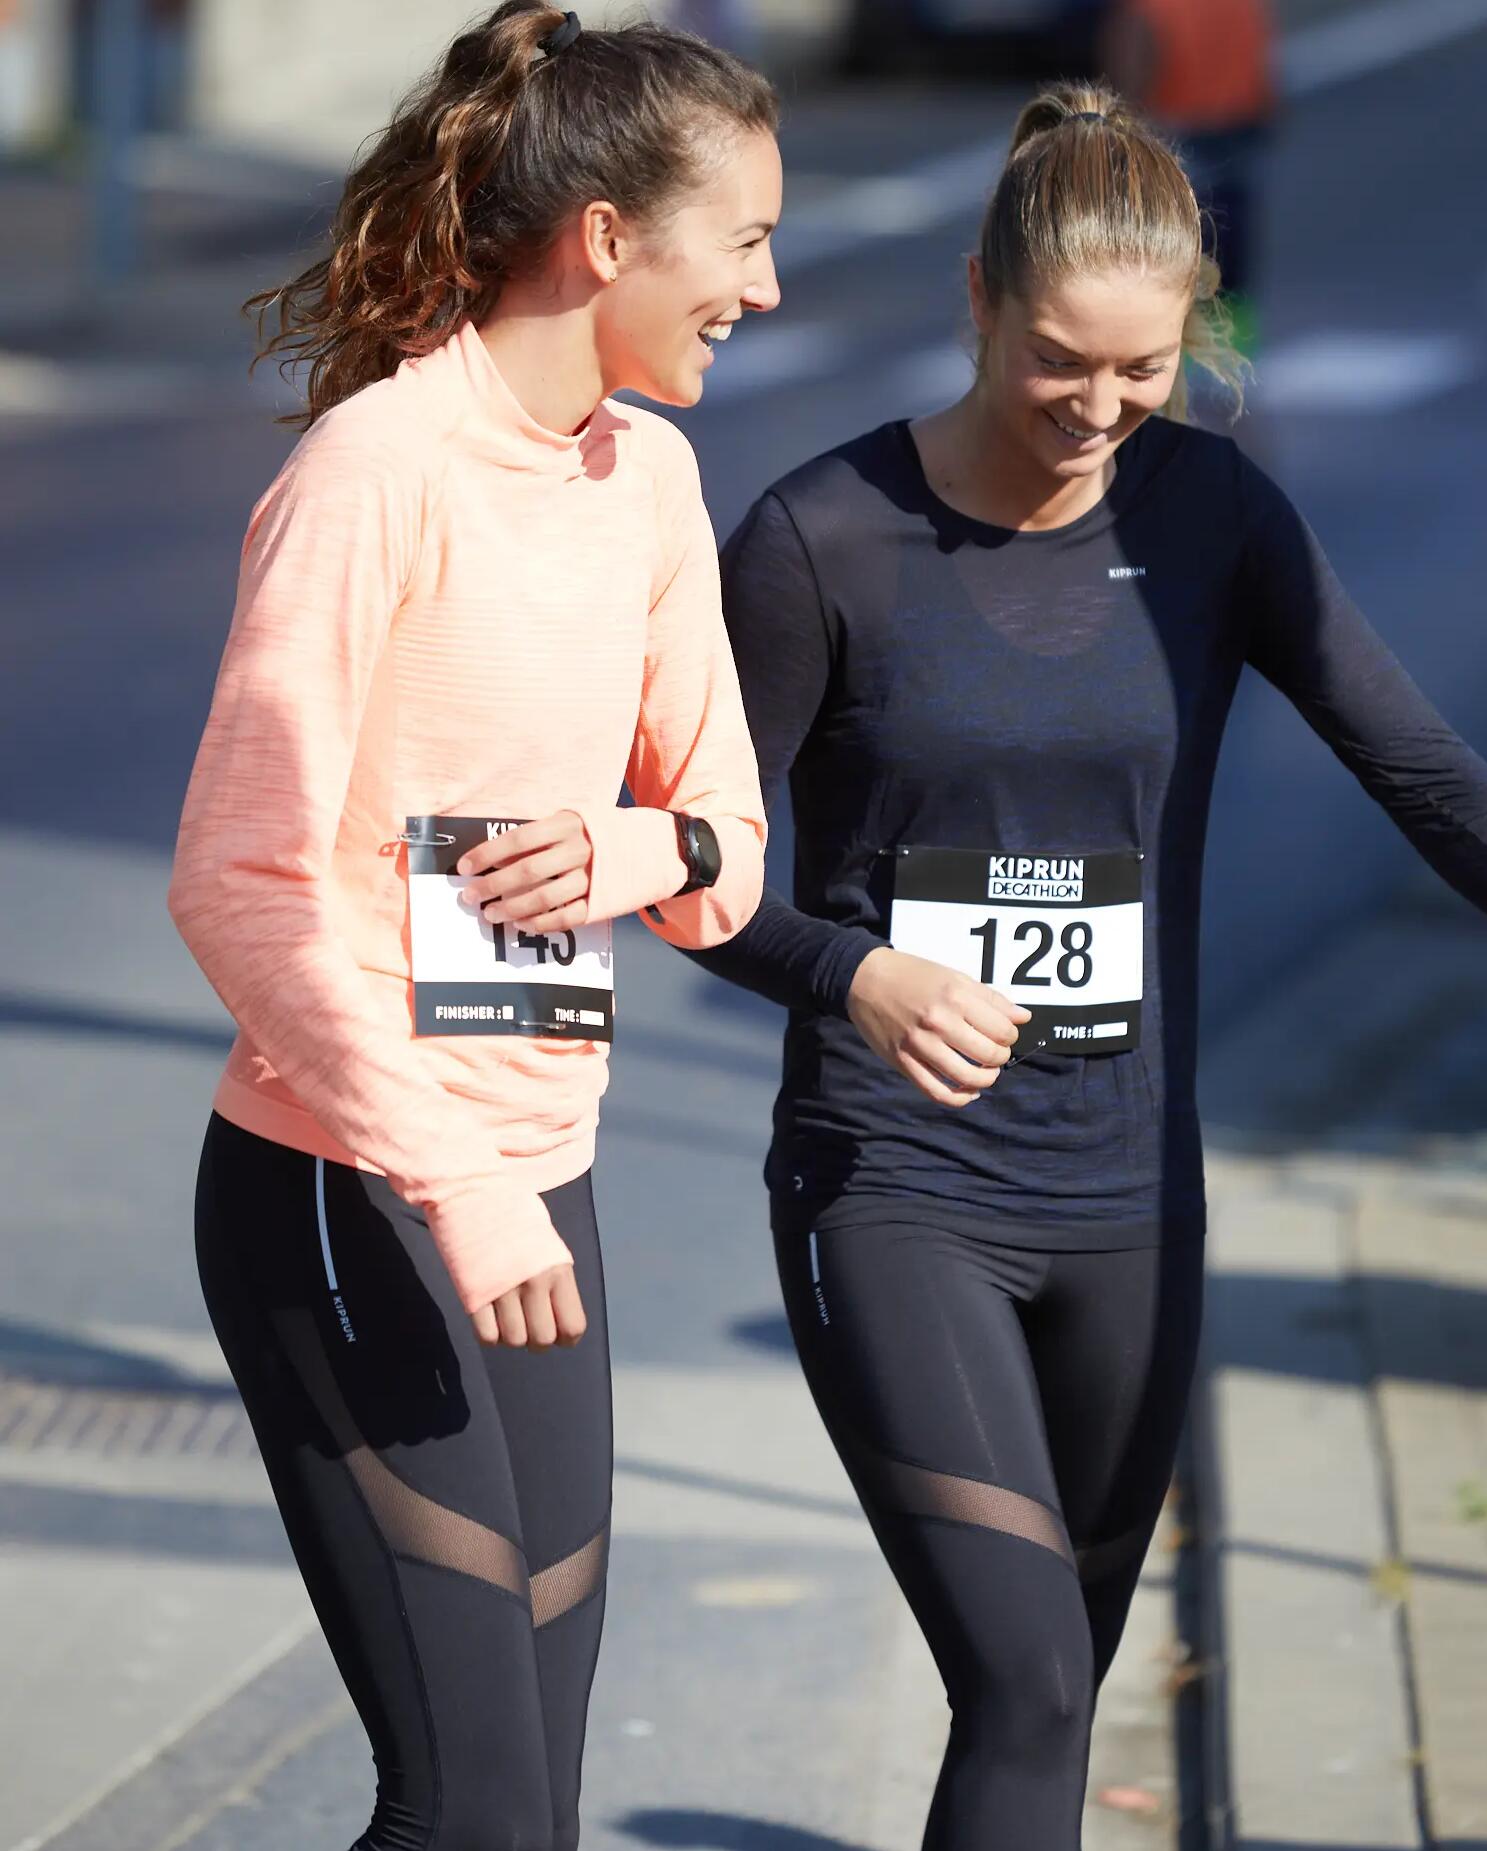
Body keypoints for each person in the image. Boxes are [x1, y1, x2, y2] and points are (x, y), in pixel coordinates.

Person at [688, 82, 1487, 1851]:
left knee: (1061, 1672)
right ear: (979, 297)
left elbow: (1418, 762)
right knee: (1029, 1679)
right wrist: (856, 978)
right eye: (1062, 360)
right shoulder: (816, 539)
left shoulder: (1212, 516)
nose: (1099, 410)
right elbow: (687, 876)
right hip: (892, 1177)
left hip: (1127, 1193)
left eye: (1143, 371)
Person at [168, 8, 778, 1848]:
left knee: (529, 1807)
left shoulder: (650, 485)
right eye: (742, 237)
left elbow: (730, 854)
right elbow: (238, 877)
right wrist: (454, 1175)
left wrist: (633, 841)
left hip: (543, 1186)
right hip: (354, 1192)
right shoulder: (377, 472)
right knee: (474, 1807)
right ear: (607, 239)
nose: (767, 282)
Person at [1102, 0, 1277, 355]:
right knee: (1231, 242)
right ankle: (1235, 349)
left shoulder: (1153, 8)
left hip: (1177, 135)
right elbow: (1263, 65)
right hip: (1237, 130)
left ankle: (1181, 350)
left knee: (1174, 248)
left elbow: (1133, 65)